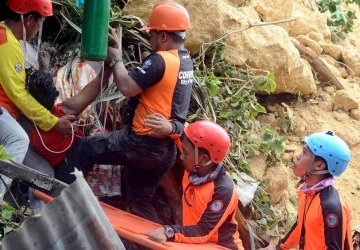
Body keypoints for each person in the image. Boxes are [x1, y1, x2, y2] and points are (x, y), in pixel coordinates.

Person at [56, 1, 195, 222]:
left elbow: (128, 87)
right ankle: (149, 244)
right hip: (164, 151)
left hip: (141, 144)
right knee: (139, 201)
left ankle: (55, 199)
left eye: (152, 35)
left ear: (163, 36)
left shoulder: (161, 60)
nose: (150, 40)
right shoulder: (185, 62)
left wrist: (116, 59)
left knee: (84, 148)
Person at [0, 0, 75, 200]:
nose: (39, 28)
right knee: (18, 140)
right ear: (30, 19)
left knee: (45, 173)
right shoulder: (6, 43)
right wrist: (53, 123)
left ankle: (27, 217)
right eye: (41, 23)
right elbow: (18, 95)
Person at [142, 121, 244, 249]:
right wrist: (170, 128)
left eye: (185, 153)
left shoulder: (222, 189)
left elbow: (204, 230)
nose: (181, 157)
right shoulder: (193, 160)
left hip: (219, 246)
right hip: (195, 243)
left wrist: (169, 231)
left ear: (204, 159)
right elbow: (181, 137)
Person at [275, 131, 353, 250]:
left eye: (304, 152)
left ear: (319, 166)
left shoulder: (330, 206)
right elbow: (301, 225)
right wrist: (280, 248)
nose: (297, 156)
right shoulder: (307, 192)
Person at [25, 66, 111, 168]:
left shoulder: (25, 125)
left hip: (51, 165)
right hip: (73, 162)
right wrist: (113, 62)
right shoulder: (63, 112)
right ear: (54, 95)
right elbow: (100, 81)